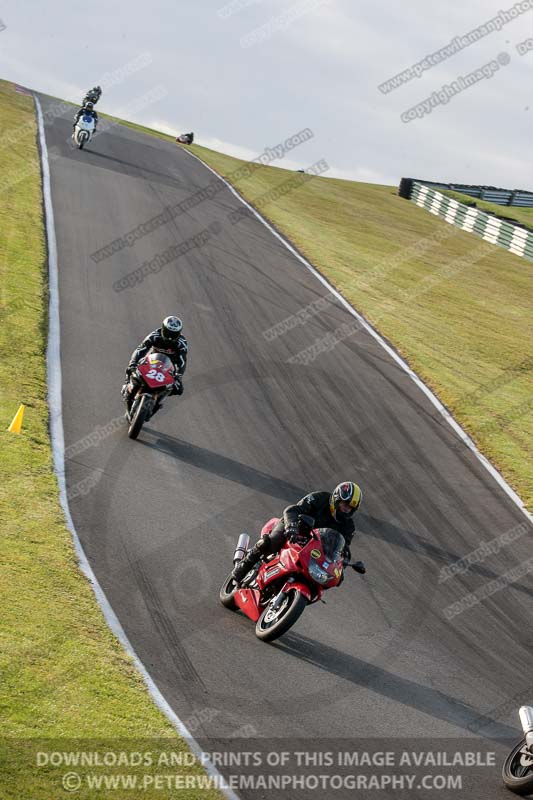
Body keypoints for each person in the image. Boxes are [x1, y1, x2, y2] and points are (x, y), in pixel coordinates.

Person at [232, 481, 363, 584]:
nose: (346, 510)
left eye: (350, 508)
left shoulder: (348, 526)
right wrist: (291, 527)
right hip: (294, 528)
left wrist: (342, 562)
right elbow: (292, 510)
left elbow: (344, 547)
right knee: (271, 542)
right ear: (336, 499)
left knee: (330, 578)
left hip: (314, 547)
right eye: (344, 505)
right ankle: (242, 567)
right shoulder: (319, 498)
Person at [122, 316, 188, 412]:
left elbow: (182, 361)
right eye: (168, 332)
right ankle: (128, 384)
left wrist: (179, 377)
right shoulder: (154, 335)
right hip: (151, 360)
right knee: (132, 371)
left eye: (173, 334)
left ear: (178, 333)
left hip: (168, 367)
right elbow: (140, 349)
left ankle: (158, 402)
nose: (170, 337)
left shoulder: (182, 343)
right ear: (163, 329)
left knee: (177, 389)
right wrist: (132, 364)